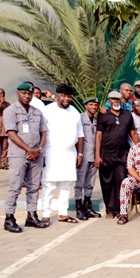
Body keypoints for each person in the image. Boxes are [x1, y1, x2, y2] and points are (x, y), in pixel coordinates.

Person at [2, 83, 48, 232]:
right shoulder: (11, 111)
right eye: (24, 93)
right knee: (15, 187)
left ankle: (32, 216)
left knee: (34, 187)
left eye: (29, 94)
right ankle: (9, 218)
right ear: (18, 93)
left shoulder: (37, 112)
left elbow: (44, 133)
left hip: (36, 156)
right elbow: (11, 133)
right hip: (19, 156)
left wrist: (38, 149)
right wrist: (29, 149)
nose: (27, 96)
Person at [40, 83, 84, 226]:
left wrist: (80, 154)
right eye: (64, 96)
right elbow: (41, 133)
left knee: (66, 184)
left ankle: (63, 214)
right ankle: (46, 215)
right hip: (52, 152)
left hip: (70, 153)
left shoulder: (75, 112)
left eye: (69, 96)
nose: (67, 99)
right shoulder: (47, 110)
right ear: (57, 95)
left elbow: (80, 135)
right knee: (49, 184)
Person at [95, 90, 139, 219]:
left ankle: (120, 208)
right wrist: (97, 155)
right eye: (113, 99)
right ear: (109, 101)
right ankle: (110, 210)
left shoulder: (127, 115)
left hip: (122, 154)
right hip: (106, 154)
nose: (116, 101)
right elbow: (98, 136)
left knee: (120, 182)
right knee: (106, 182)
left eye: (118, 99)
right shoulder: (103, 115)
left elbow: (133, 134)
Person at [75, 97, 102, 221]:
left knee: (90, 182)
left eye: (96, 105)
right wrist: (78, 154)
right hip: (83, 154)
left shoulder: (96, 120)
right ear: (86, 105)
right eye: (91, 104)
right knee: (80, 182)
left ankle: (87, 204)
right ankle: (79, 207)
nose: (94, 107)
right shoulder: (79, 118)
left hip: (93, 155)